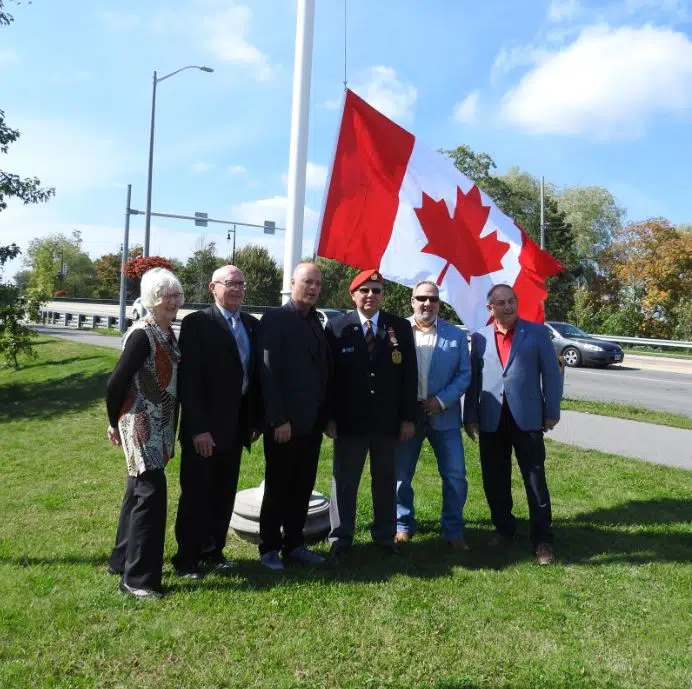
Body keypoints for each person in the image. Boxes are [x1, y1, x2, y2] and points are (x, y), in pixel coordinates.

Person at [171, 264, 262, 579]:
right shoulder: (198, 323)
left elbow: (252, 376)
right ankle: (187, 559)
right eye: (230, 283)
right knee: (197, 494)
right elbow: (190, 380)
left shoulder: (250, 324)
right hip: (205, 430)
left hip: (235, 428)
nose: (236, 289)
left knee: (224, 494)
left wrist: (253, 421)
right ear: (213, 287)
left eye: (241, 283)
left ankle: (213, 550)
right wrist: (198, 428)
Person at [463, 284, 562, 565]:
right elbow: (473, 382)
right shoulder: (479, 339)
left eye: (512, 301)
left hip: (528, 417)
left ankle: (543, 540)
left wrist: (551, 410)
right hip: (491, 417)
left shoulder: (537, 333)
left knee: (535, 479)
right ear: (490, 308)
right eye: (501, 303)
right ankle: (504, 529)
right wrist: (469, 416)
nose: (508, 307)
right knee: (495, 479)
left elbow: (552, 375)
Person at [325, 269, 417, 562]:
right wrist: (330, 417)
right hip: (350, 422)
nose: (370, 296)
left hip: (387, 422)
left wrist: (407, 418)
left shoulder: (398, 327)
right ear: (353, 295)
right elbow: (330, 378)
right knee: (345, 481)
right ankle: (340, 537)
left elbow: (408, 376)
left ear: (382, 295)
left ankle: (384, 535)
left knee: (385, 480)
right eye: (364, 290)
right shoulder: (337, 327)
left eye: (376, 290)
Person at [106, 268, 184, 600]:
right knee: (151, 497)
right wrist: (114, 422)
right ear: (152, 298)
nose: (173, 301)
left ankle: (121, 560)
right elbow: (115, 383)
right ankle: (137, 580)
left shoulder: (167, 332)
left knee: (137, 490)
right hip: (140, 425)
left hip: (160, 424)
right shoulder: (142, 334)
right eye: (166, 295)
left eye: (177, 295)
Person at [257, 263, 331, 570]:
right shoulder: (276, 319)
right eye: (307, 282)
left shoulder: (317, 321)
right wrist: (277, 420)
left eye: (317, 283)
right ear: (292, 283)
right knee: (278, 486)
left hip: (311, 424)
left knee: (302, 486)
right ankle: (269, 547)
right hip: (284, 425)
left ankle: (295, 543)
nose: (313, 288)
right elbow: (267, 372)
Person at [395, 280, 471, 551]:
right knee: (401, 474)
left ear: (440, 303)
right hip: (407, 415)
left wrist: (441, 401)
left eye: (433, 299)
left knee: (455, 475)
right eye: (421, 298)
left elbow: (464, 375)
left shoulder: (456, 336)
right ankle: (402, 524)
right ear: (412, 301)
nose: (427, 303)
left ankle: (453, 530)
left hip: (445, 414)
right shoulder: (397, 331)